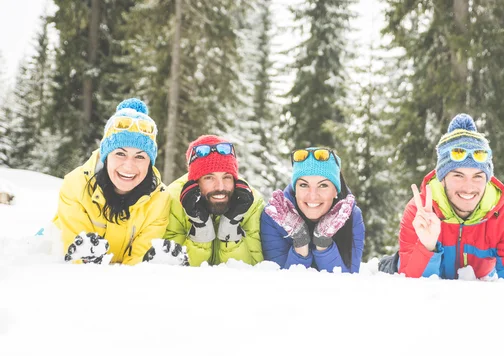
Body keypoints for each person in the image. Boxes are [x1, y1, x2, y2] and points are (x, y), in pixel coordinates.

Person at [392, 113, 504, 283]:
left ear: (488, 179)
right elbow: (412, 287)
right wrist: (427, 247)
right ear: (442, 179)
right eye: (458, 175)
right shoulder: (420, 211)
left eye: (478, 176)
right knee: (390, 265)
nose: (469, 187)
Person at [54, 98, 185, 265]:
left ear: (150, 162)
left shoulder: (159, 199)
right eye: (120, 154)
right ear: (106, 156)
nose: (129, 166)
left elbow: (139, 263)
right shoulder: (76, 186)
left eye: (140, 156)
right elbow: (78, 260)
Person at [164, 135, 265, 266]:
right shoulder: (173, 200)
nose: (220, 187)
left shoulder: (251, 204)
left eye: (227, 177)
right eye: (209, 178)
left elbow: (254, 270)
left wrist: (231, 228)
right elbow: (171, 270)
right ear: (195, 182)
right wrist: (200, 230)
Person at [261, 147, 365, 273]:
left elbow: (347, 281)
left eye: (323, 185)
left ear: (335, 191)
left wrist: (323, 242)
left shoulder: (351, 216)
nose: (313, 196)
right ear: (295, 190)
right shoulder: (274, 216)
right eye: (304, 185)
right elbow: (280, 283)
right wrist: (300, 241)